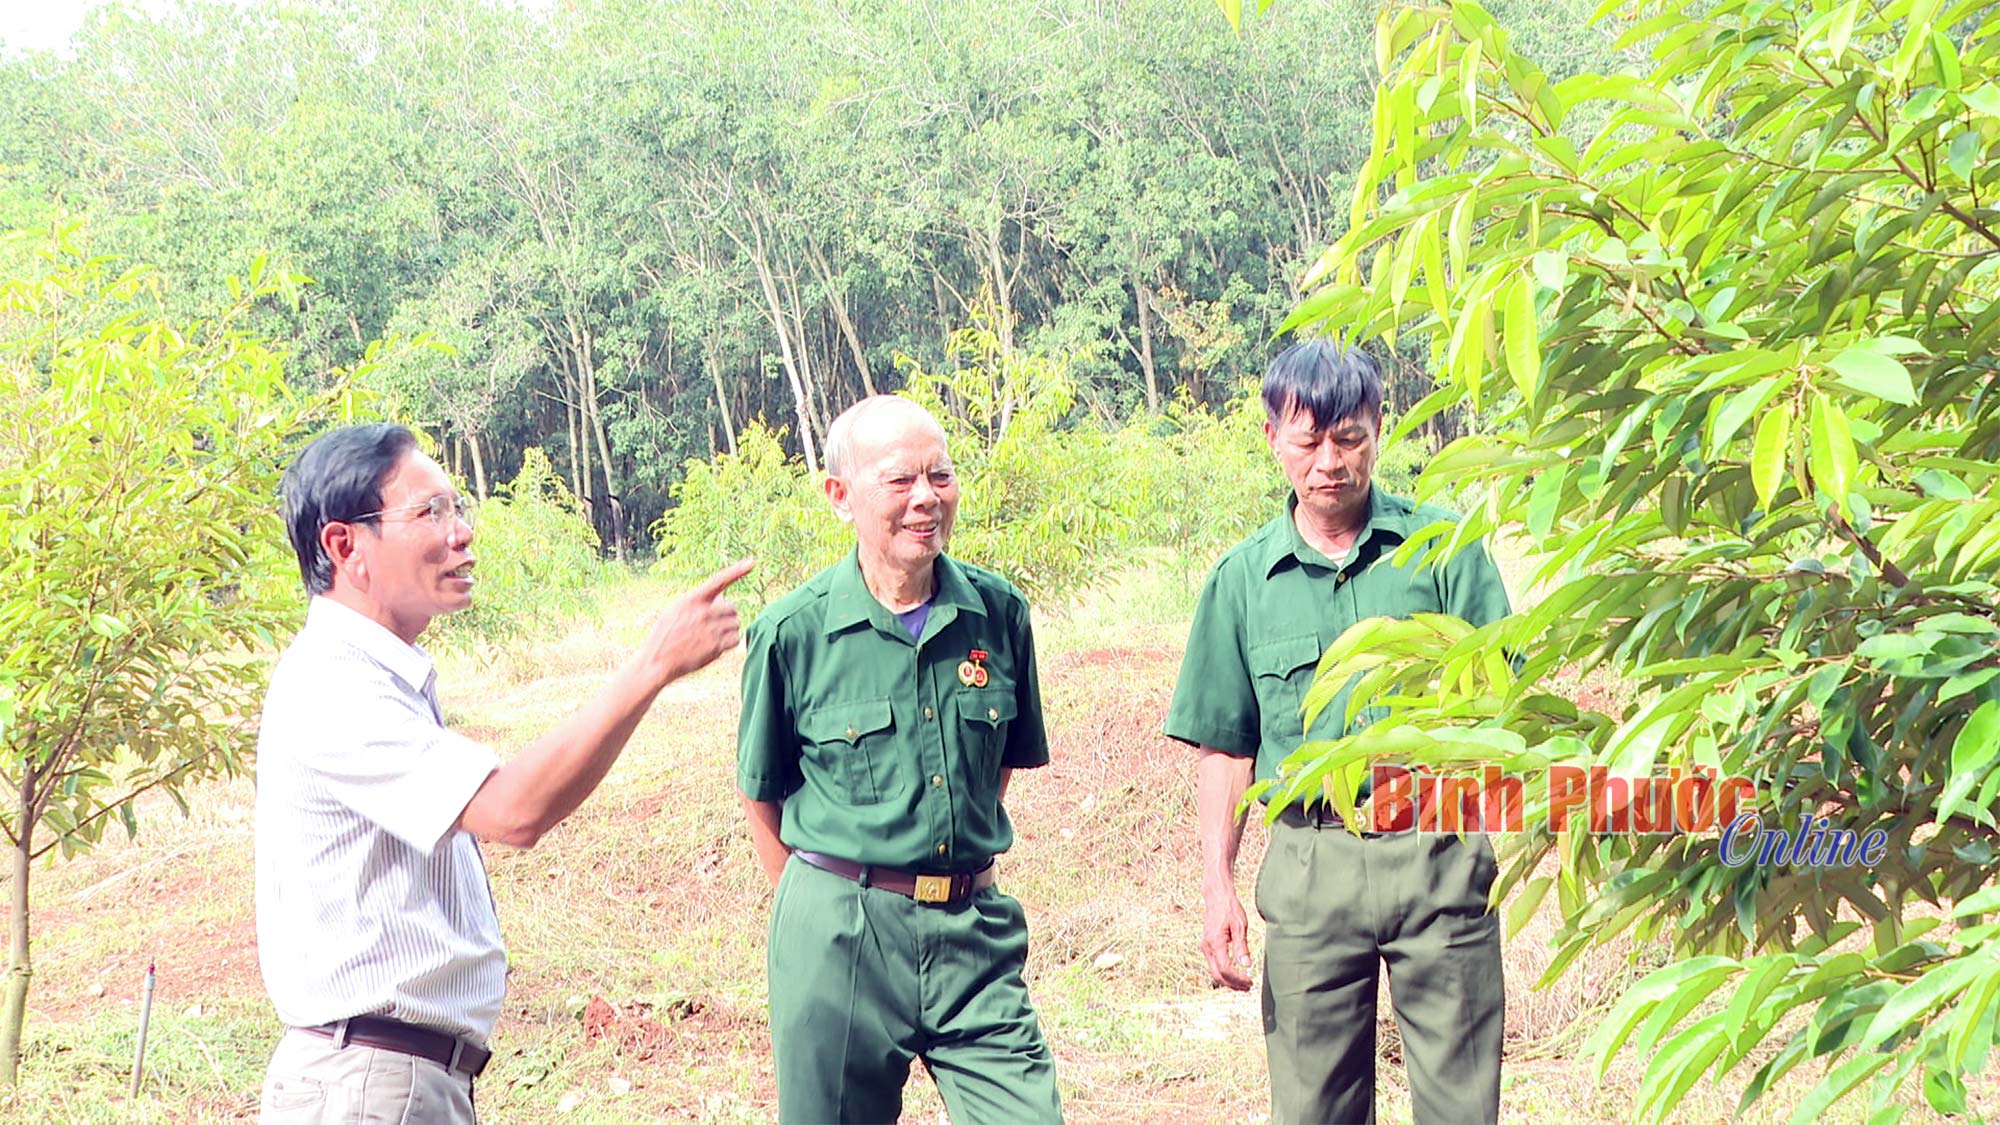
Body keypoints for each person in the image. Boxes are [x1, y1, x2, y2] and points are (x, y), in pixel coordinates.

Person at [255, 422, 750, 1123]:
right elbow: (516, 809)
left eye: (459, 508)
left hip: (394, 1076)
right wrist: (652, 664)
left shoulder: (375, 673)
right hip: (368, 1085)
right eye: (430, 512)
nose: (461, 533)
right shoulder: (334, 684)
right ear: (345, 546)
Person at [1163, 340, 1511, 1125]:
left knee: (1463, 1108)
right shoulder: (1241, 581)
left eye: (1348, 436)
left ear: (1380, 429)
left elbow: (1507, 703)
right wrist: (1217, 883)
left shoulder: (1445, 548)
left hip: (1438, 855)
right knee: (1313, 1109)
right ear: (1272, 439)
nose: (1330, 460)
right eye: (1308, 438)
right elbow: (1226, 744)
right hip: (1311, 864)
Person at [736, 395, 1063, 1125]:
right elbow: (761, 794)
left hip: (973, 931)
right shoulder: (792, 633)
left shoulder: (998, 614)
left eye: (940, 476)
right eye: (899, 481)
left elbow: (996, 768)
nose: (926, 498)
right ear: (840, 495)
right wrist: (821, 915)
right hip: (840, 937)